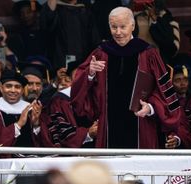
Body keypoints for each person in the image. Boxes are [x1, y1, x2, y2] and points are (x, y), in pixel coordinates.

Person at [71, 7, 180, 149]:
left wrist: (151, 107)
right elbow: (78, 94)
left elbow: (164, 91)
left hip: (142, 126)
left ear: (133, 26)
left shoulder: (148, 54)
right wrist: (90, 73)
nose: (118, 32)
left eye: (122, 27)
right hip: (109, 128)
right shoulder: (101, 53)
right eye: (114, 27)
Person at [0, 69, 42, 157]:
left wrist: (36, 124)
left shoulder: (31, 108)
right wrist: (18, 124)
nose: (13, 90)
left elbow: (42, 143)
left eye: (17, 87)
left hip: (30, 160)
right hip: (3, 162)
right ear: (1, 88)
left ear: (22, 90)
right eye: (8, 86)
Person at [39, 61, 98, 148]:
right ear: (71, 79)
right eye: (77, 75)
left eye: (84, 74)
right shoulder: (60, 100)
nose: (81, 78)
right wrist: (87, 133)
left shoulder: (97, 96)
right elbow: (63, 132)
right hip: (74, 153)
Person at [40, 0, 101, 69]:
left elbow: (94, 40)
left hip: (83, 62)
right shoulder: (53, 9)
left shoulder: (85, 10)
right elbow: (46, 26)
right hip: (59, 63)